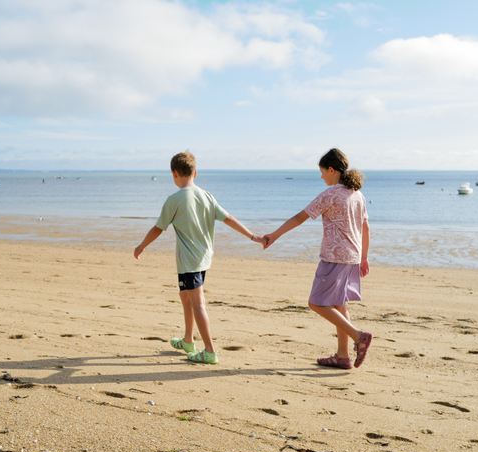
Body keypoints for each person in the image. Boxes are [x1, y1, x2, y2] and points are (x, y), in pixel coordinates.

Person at [134, 151, 265, 364]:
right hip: (203, 258)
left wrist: (141, 246)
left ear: (174, 173)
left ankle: (210, 351)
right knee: (184, 296)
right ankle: (187, 340)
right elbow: (228, 218)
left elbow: (158, 228)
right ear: (195, 172)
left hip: (189, 262)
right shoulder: (206, 195)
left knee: (198, 304)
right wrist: (253, 236)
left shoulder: (173, 200)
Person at [263, 148, 372, 369]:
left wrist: (274, 235)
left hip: (334, 258)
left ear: (331, 170)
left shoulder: (330, 194)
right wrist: (364, 258)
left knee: (316, 303)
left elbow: (300, 217)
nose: (321, 176)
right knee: (338, 305)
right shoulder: (357, 194)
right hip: (352, 257)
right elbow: (365, 228)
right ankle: (342, 357)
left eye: (322, 171)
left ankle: (358, 336)